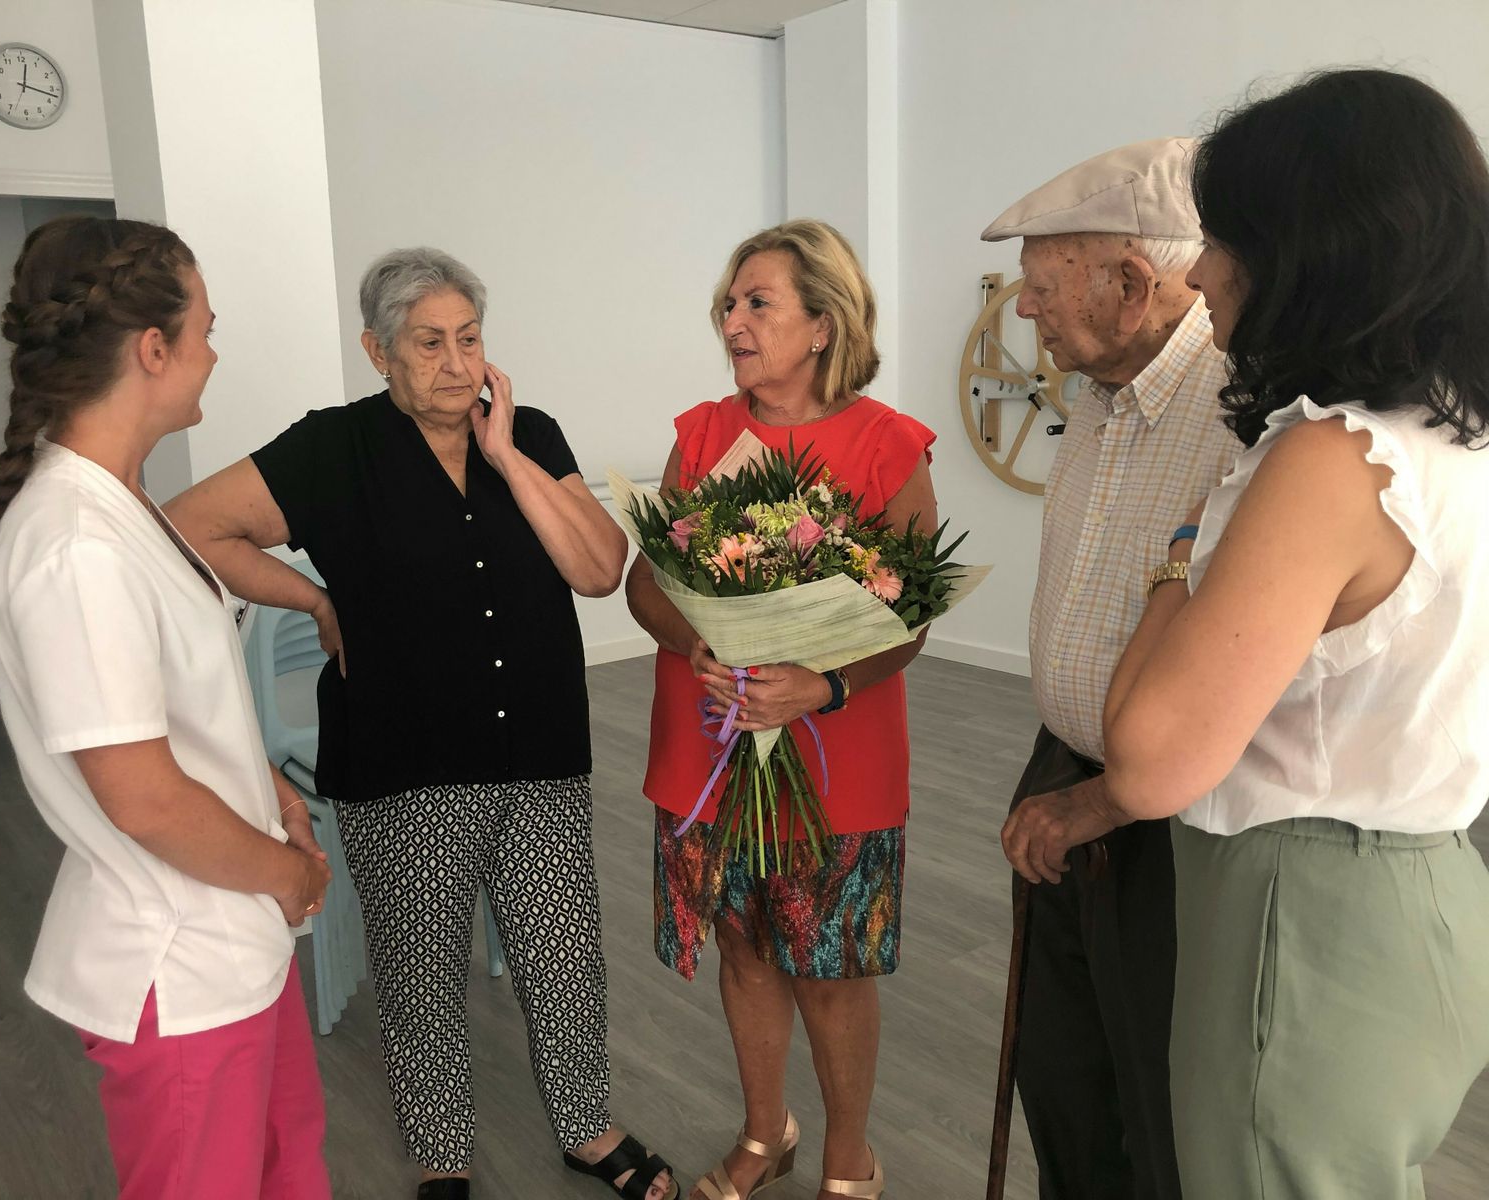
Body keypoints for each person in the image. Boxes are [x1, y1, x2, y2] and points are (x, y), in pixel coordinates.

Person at [1010, 68, 1489, 1199]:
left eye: (1226, 239)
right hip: (1415, 884)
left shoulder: (1326, 456)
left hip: (1303, 913)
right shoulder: (1447, 431)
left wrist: (1182, 551)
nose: (1207, 269)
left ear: (1312, 252)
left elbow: (1152, 753)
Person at [164, 247, 674, 1200]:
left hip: (538, 746)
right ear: (379, 352)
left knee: (563, 951)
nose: (456, 364)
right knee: (421, 970)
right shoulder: (332, 447)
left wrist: (509, 458)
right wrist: (314, 604)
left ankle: (588, 1129)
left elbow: (601, 569)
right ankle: (443, 1158)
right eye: (428, 343)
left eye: (470, 339)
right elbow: (189, 523)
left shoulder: (533, 433)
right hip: (403, 756)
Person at [0, 215, 333, 1199]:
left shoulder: (121, 508)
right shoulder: (76, 546)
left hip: (233, 938)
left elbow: (180, 726)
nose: (214, 353)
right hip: (181, 964)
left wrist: (267, 799)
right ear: (152, 350)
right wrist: (285, 873)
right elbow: (143, 798)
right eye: (204, 329)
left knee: (292, 1172)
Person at [626, 219, 934, 1200]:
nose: (734, 321)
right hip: (711, 740)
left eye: (757, 302)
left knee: (832, 963)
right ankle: (768, 1132)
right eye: (728, 303)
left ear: (821, 323)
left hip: (836, 749)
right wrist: (696, 642)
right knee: (746, 944)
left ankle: (848, 1148)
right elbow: (648, 586)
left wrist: (825, 684)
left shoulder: (888, 446)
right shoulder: (702, 437)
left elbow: (910, 618)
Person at [988, 139, 1240, 1198]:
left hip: (1169, 814)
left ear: (1131, 286)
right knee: (1063, 1080)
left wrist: (1103, 796)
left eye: (1042, 288)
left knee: (1156, 1103)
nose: (1023, 312)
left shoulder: (1242, 413)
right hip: (1064, 770)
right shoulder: (1095, 391)